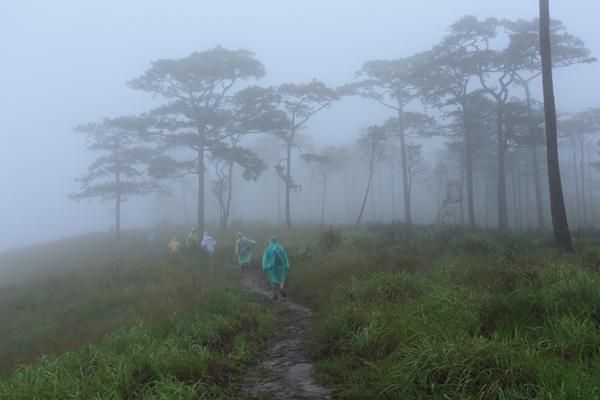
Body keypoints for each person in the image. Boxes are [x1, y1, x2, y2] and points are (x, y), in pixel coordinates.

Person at [262, 236, 290, 300]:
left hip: (271, 267)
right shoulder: (281, 248)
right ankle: (281, 289)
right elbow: (285, 257)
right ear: (277, 241)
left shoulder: (268, 249)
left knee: (272, 280)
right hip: (281, 266)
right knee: (281, 279)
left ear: (270, 241)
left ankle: (275, 295)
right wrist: (287, 265)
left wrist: (264, 266)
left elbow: (265, 259)